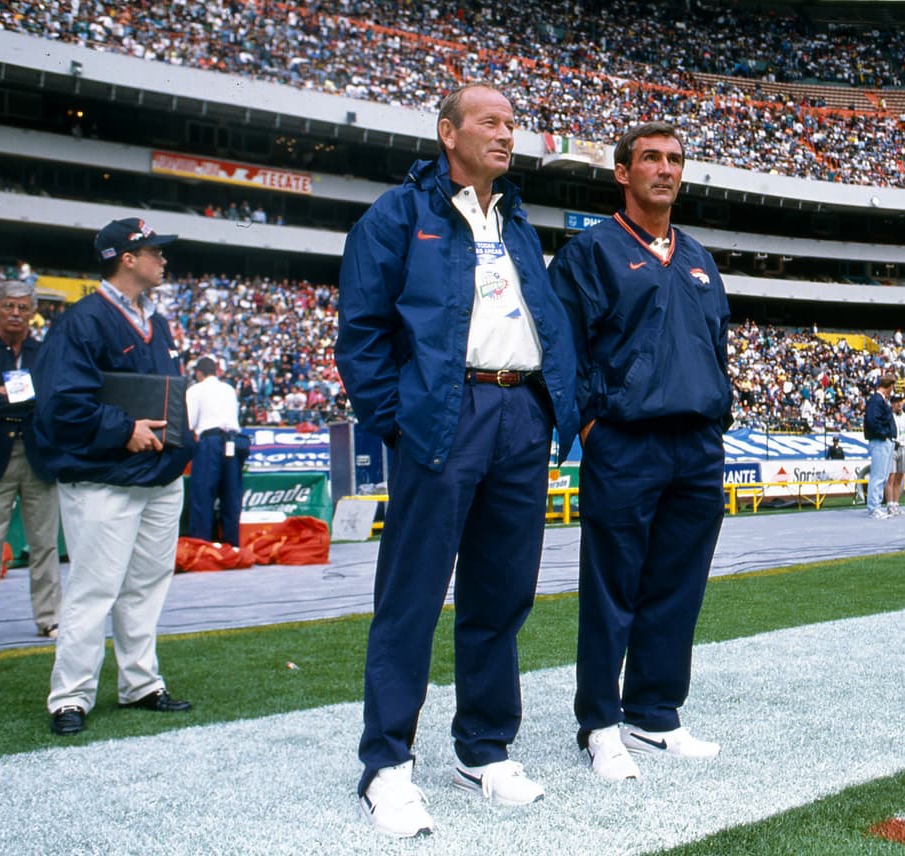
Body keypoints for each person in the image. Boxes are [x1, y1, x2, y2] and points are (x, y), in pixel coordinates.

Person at [334, 83, 578, 837]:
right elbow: (362, 335)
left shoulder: (517, 221)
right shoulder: (396, 215)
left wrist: (551, 408)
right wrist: (399, 422)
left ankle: (483, 747)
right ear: (448, 132)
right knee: (412, 594)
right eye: (490, 122)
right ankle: (387, 764)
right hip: (446, 414)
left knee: (501, 593)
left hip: (519, 412)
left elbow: (543, 320)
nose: (506, 134)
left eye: (513, 123)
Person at [550, 121, 731, 783]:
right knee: (612, 589)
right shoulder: (590, 252)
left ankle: (654, 712)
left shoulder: (699, 257)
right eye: (650, 158)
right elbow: (564, 352)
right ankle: (600, 722)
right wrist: (591, 429)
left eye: (674, 159)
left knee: (678, 587)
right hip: (625, 442)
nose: (665, 169)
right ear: (623, 172)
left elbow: (717, 348)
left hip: (697, 445)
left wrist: (718, 420)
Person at [33, 217, 196, 736]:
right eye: (155, 251)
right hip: (103, 475)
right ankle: (70, 695)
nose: (163, 259)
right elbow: (61, 404)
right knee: (94, 588)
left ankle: (140, 682)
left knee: (146, 584)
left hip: (157, 473)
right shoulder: (81, 321)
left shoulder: (157, 321)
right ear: (128, 258)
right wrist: (124, 429)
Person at [0, 280, 61, 650]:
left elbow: (51, 396)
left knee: (45, 544)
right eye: (8, 305)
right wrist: (24, 394)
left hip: (39, 454)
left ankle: (50, 618)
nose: (15, 313)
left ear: (32, 312)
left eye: (23, 307)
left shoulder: (45, 351)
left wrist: (1, 393)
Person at [186, 356, 247, 546]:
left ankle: (200, 545)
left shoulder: (195, 389)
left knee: (203, 494)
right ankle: (232, 545)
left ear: (199, 373)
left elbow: (189, 422)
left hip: (210, 441)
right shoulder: (228, 389)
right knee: (231, 495)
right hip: (233, 442)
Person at [862, 374, 898, 519]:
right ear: (890, 386)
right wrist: (884, 434)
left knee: (882, 476)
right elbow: (872, 421)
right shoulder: (876, 400)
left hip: (884, 440)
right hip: (880, 441)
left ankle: (876, 506)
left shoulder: (880, 400)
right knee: (878, 475)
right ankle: (873, 508)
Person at [886, 392, 905, 516]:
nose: (898, 404)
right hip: (892, 447)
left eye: (900, 401)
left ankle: (896, 504)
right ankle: (889, 505)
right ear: (892, 403)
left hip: (903, 447)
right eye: (896, 401)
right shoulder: (889, 417)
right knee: (891, 477)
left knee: (899, 477)